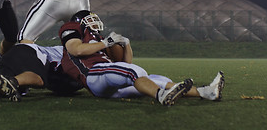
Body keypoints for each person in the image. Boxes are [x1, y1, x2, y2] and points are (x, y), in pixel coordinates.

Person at [57, 10, 225, 106]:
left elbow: (125, 64)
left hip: (108, 80)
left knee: (154, 78)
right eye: (90, 20)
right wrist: (106, 43)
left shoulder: (99, 40)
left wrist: (126, 45)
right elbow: (76, 50)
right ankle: (160, 95)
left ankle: (205, 92)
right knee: (133, 72)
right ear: (81, 22)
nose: (95, 22)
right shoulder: (72, 28)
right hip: (93, 75)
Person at [0, 43, 83, 101]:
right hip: (29, 52)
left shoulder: (72, 52)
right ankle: (14, 81)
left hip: (12, 55)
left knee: (1, 88)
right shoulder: (74, 54)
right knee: (39, 80)